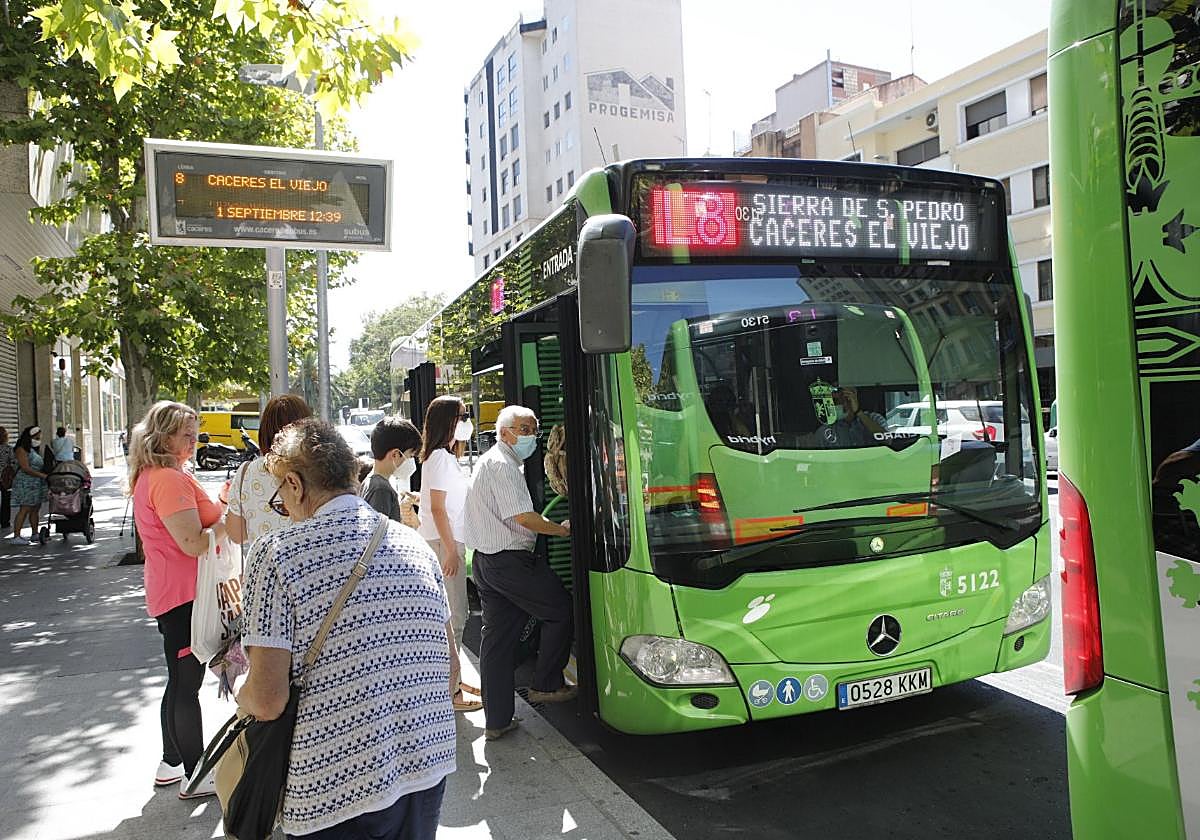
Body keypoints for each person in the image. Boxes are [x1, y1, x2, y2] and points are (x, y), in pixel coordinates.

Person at [239, 419, 455, 839]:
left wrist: (238, 694)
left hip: (332, 789)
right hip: (428, 764)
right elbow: (449, 673)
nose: (283, 506)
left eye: (280, 497)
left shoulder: (277, 555)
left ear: (296, 485)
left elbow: (266, 701)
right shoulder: (414, 545)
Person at [128, 401, 223, 799]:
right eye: (187, 433)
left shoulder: (160, 475)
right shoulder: (167, 478)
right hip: (184, 596)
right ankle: (195, 772)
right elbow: (191, 542)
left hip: (175, 593)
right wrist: (227, 527)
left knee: (179, 681)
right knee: (187, 685)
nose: (195, 438)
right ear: (163, 437)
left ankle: (172, 762)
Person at [463, 405, 574, 741]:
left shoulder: (492, 462)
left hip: (487, 561)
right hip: (509, 562)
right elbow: (524, 517)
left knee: (496, 642)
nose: (531, 436)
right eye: (524, 429)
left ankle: (497, 720)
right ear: (504, 433)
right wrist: (562, 530)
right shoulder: (502, 466)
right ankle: (546, 684)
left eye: (534, 429)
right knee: (560, 610)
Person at [418, 397, 483, 713]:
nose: (466, 420)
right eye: (462, 415)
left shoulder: (439, 457)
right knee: (455, 616)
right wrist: (451, 552)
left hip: (447, 540)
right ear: (449, 421)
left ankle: (452, 678)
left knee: (453, 616)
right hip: (446, 543)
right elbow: (438, 509)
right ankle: (450, 689)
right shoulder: (441, 459)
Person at [225, 395, 312, 549]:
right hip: (310, 566)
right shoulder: (316, 470)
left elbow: (236, 534)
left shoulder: (247, 471)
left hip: (264, 566)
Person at [361, 416, 421, 524]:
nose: (411, 460)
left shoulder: (371, 482)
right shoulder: (381, 490)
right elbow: (381, 535)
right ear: (395, 454)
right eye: (410, 455)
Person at [8, 426, 49, 546]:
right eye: (37, 437)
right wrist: (42, 475)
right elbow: (25, 468)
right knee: (25, 508)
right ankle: (16, 535)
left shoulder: (32, 449)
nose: (39, 439)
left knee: (35, 508)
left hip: (36, 483)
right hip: (25, 483)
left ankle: (35, 533)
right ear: (30, 437)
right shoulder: (21, 449)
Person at [814, 385, 887, 447]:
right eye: (832, 401)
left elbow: (887, 441)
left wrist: (858, 412)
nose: (833, 405)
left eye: (839, 400)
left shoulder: (875, 418)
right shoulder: (824, 432)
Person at [0, 426, 14, 535]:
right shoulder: (9, 449)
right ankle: (5, 522)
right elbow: (13, 463)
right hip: (5, 478)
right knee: (6, 499)